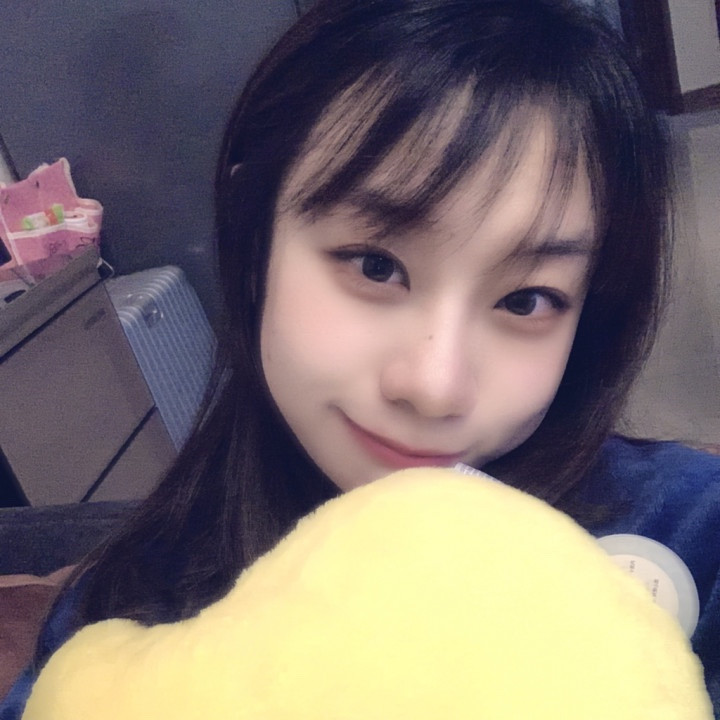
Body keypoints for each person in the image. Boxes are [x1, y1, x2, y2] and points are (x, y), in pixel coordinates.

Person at [2, 0, 719, 715]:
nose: (435, 386)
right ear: (256, 238)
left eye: (527, 300)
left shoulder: (684, 528)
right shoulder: (118, 630)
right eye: (376, 266)